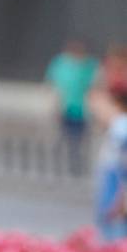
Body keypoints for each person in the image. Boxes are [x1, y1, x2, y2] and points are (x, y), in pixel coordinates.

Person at [45, 39, 99, 170]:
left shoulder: (90, 65)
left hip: (83, 109)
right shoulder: (60, 64)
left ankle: (77, 163)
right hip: (64, 108)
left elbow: (95, 85)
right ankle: (58, 164)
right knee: (61, 137)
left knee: (80, 139)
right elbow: (53, 87)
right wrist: (55, 106)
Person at [94, 82, 127, 243]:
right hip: (114, 177)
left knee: (114, 223)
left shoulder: (121, 126)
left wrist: (122, 196)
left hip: (117, 181)